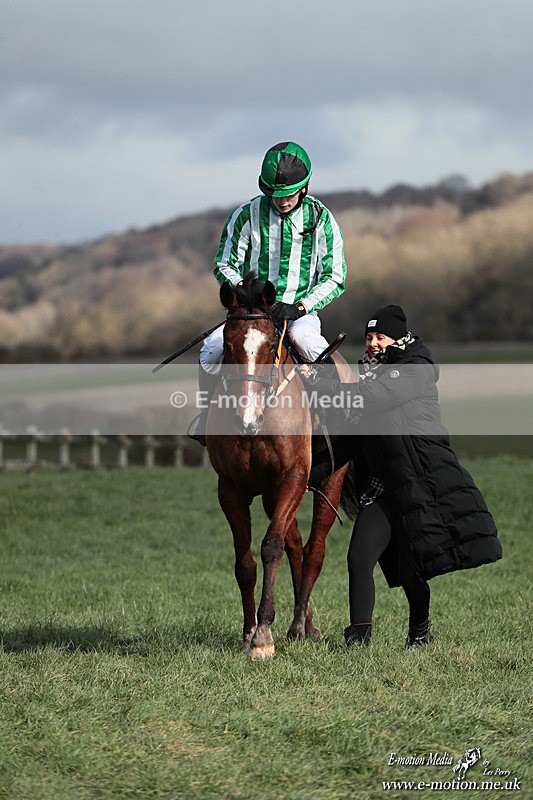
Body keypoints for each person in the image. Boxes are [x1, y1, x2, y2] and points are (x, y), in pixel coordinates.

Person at [308, 304, 502, 648]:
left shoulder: (415, 368)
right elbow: (351, 439)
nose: (373, 343)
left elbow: (372, 398)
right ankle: (359, 638)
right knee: (359, 558)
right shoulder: (373, 375)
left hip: (419, 482)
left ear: (398, 338)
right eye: (369, 337)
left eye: (380, 336)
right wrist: (306, 475)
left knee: (412, 569)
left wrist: (321, 386)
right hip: (382, 487)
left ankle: (420, 632)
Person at [189, 141, 347, 444]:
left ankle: (339, 415)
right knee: (211, 349)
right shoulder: (246, 215)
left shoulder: (322, 219)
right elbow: (224, 264)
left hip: (299, 311)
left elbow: (335, 277)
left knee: (307, 342)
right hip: (252, 311)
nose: (282, 201)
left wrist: (299, 308)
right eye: (274, 194)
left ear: (305, 187)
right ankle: (207, 416)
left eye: (288, 195)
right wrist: (245, 294)